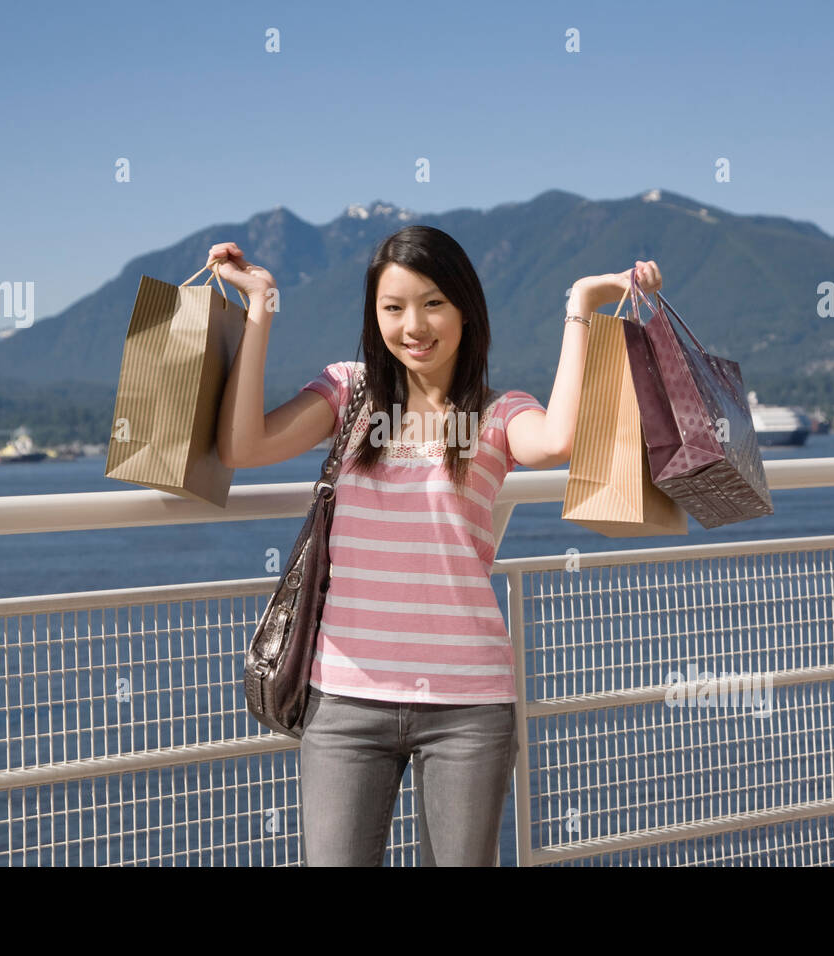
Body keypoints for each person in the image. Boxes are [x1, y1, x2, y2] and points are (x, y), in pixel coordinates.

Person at [213, 225, 661, 866]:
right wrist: (259, 304)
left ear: (464, 309)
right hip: (343, 701)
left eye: (432, 303)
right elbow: (242, 446)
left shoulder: (500, 413)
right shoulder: (349, 393)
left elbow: (558, 442)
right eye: (392, 308)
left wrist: (581, 304)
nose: (413, 325)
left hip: (467, 707)